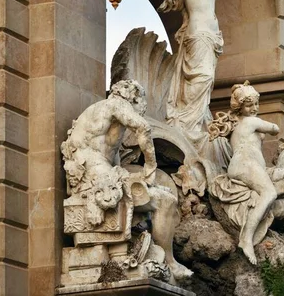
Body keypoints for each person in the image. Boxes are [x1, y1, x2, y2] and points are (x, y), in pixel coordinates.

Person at [61, 80, 192, 279]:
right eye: (141, 106)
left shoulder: (99, 114)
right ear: (134, 97)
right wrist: (150, 166)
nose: (141, 111)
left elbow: (114, 166)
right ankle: (171, 263)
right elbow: (144, 128)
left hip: (92, 175)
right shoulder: (117, 104)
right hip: (97, 180)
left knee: (159, 193)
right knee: (166, 201)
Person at [209, 82, 284, 264]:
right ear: (240, 107)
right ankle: (246, 239)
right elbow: (275, 129)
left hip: (253, 167)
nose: (254, 108)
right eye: (249, 105)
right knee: (269, 193)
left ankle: (264, 204)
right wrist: (261, 123)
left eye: (256, 104)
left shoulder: (239, 124)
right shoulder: (251, 122)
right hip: (245, 164)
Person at [158, 0, 231, 135]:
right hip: (198, 36)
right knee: (202, 77)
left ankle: (195, 122)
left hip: (210, 39)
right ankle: (186, 123)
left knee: (207, 80)